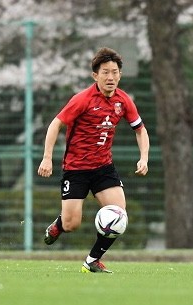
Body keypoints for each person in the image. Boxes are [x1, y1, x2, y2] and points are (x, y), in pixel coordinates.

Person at [37, 47, 149, 273]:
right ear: (95, 76)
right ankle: (59, 225)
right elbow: (55, 124)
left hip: (103, 168)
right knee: (72, 224)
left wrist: (144, 157)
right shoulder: (82, 100)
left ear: (120, 75)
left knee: (119, 215)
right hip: (76, 169)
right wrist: (47, 158)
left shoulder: (123, 100)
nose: (111, 77)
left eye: (115, 72)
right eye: (105, 72)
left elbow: (140, 129)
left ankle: (92, 260)